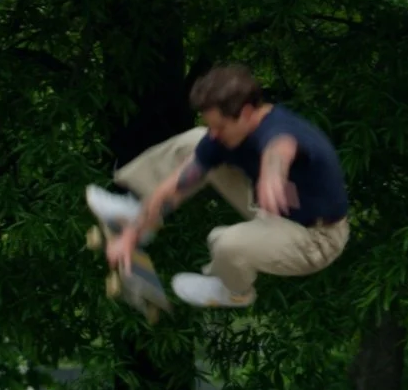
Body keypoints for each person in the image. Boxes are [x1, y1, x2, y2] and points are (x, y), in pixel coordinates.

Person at [85, 64, 352, 309]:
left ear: (247, 113)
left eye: (220, 127)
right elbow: (176, 185)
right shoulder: (222, 136)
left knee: (224, 242)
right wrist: (130, 236)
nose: (215, 134)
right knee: (195, 142)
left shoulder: (280, 129)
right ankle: (134, 209)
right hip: (270, 208)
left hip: (314, 239)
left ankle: (234, 291)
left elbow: (280, 147)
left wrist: (273, 173)